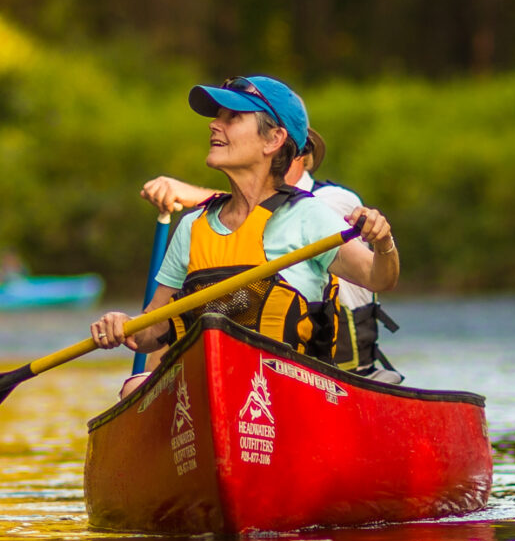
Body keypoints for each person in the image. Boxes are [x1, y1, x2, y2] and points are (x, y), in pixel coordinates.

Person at [92, 76, 397, 367]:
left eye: (232, 118)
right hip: (214, 387)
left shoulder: (310, 215)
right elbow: (152, 330)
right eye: (217, 117)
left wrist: (384, 243)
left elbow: (380, 278)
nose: (214, 124)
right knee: (134, 386)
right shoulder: (191, 226)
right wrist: (125, 326)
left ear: (274, 139)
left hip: (290, 389)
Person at [134, 128, 404, 380]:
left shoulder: (329, 202)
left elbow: (281, 212)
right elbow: (158, 321)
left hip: (337, 374)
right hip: (243, 372)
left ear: (295, 152)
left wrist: (196, 195)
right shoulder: (202, 223)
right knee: (161, 352)